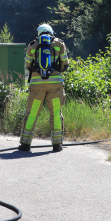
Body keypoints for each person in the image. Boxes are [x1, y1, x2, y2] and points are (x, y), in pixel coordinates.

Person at [19, 23, 69, 153]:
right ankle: (57, 144)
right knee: (56, 113)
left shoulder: (32, 45)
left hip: (37, 85)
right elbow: (65, 65)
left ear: (38, 33)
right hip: (55, 85)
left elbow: (28, 65)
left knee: (32, 113)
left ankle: (25, 144)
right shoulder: (59, 44)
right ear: (52, 32)